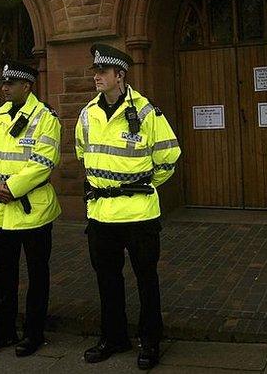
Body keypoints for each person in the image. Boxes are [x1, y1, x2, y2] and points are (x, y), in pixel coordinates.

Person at [75, 44, 181, 370]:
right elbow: (83, 153)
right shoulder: (87, 113)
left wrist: (141, 186)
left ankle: (150, 341)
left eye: (102, 72)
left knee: (146, 280)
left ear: (120, 75)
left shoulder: (148, 112)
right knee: (107, 280)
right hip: (101, 214)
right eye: (95, 71)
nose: (96, 77)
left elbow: (168, 157)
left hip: (139, 214)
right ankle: (114, 337)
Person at [0, 61, 61, 358]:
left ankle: (33, 333)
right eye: (3, 83)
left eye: (10, 84)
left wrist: (10, 188)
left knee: (37, 276)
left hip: (32, 210)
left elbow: (44, 161)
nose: (4, 88)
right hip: (0, 212)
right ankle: (2, 330)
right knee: (3, 275)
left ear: (27, 86)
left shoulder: (45, 117)